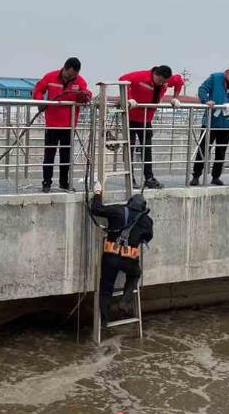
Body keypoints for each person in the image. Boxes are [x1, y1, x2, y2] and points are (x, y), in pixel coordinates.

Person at [90, 181, 154, 321]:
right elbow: (148, 237)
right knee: (135, 274)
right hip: (129, 260)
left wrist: (98, 193)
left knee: (106, 288)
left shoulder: (118, 211)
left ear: (129, 203)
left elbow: (96, 209)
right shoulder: (146, 220)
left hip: (110, 258)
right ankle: (124, 302)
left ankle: (104, 320)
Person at [119, 66, 184, 189]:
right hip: (131, 117)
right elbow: (122, 79)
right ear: (155, 74)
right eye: (159, 81)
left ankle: (149, 178)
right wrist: (129, 98)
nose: (161, 84)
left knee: (147, 148)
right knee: (129, 148)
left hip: (146, 119)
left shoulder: (167, 80)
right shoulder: (141, 76)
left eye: (164, 82)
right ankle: (130, 178)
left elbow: (179, 81)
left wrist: (175, 97)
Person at [33, 57, 91, 192]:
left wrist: (85, 95)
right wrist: (40, 102)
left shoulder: (80, 81)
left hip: (69, 126)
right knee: (49, 155)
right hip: (52, 125)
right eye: (69, 75)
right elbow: (38, 89)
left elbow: (86, 95)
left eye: (74, 76)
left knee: (66, 156)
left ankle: (64, 183)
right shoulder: (50, 77)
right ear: (65, 69)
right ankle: (46, 183)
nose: (70, 78)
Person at [191, 64, 229, 186]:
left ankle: (216, 177)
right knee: (203, 149)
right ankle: (196, 175)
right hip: (210, 122)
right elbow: (202, 89)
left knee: (221, 151)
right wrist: (206, 100)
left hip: (226, 123)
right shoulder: (215, 77)